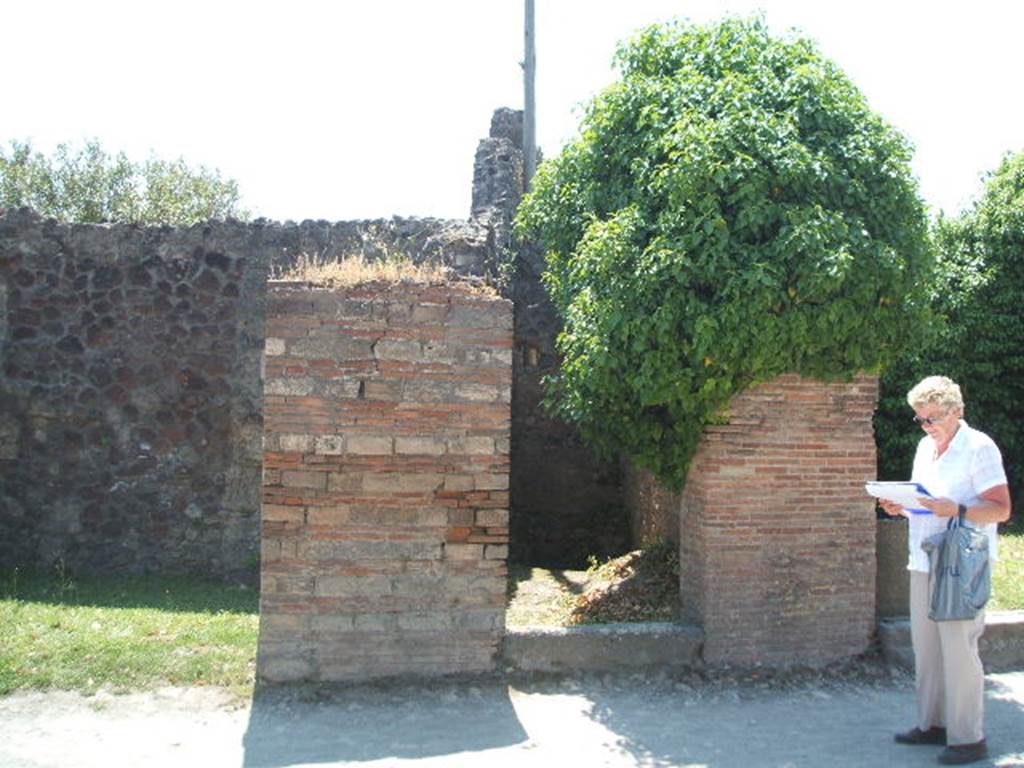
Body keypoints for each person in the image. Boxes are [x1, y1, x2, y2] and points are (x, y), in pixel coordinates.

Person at [879, 375, 1012, 765]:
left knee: (958, 649)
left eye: (934, 417)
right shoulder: (925, 447)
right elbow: (926, 501)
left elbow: (1001, 509)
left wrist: (958, 509)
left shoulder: (978, 446)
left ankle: (969, 738)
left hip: (961, 563)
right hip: (923, 558)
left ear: (958, 411)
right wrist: (901, 506)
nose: (927, 426)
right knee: (928, 648)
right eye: (921, 419)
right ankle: (932, 724)